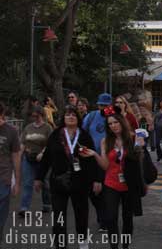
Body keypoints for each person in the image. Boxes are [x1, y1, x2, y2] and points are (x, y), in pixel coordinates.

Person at [35, 104, 102, 249]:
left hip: (80, 182)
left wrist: (97, 179)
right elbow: (47, 158)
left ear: (78, 118)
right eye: (67, 115)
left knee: (82, 213)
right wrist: (38, 178)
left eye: (73, 114)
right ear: (63, 118)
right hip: (58, 181)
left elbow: (92, 160)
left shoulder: (84, 135)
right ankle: (60, 245)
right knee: (59, 216)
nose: (70, 117)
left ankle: (83, 243)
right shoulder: (55, 135)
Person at [81, 110, 145, 249]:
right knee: (110, 217)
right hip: (111, 183)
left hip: (129, 183)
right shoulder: (105, 141)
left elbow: (139, 162)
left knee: (127, 218)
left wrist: (140, 148)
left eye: (115, 122)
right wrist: (95, 155)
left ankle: (125, 246)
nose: (113, 125)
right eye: (110, 124)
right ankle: (114, 246)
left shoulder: (133, 138)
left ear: (121, 122)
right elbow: (105, 165)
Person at [82, 93, 112, 232]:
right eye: (101, 105)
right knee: (93, 192)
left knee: (106, 190)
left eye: (106, 106)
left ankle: (105, 220)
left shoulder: (115, 118)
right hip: (92, 158)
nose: (103, 108)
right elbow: (82, 134)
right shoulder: (91, 116)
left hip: (109, 159)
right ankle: (103, 217)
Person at [19, 106, 53, 216]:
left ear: (41, 115)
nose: (34, 118)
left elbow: (50, 144)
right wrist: (19, 156)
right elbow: (23, 143)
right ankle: (24, 207)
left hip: (42, 159)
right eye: (33, 116)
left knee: (45, 182)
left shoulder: (47, 128)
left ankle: (47, 204)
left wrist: (43, 153)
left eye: (36, 116)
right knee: (27, 183)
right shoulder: (28, 127)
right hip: (28, 158)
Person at [0, 102, 21, 246]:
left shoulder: (11, 131)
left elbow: (16, 157)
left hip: (4, 178)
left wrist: (17, 182)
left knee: (1, 215)